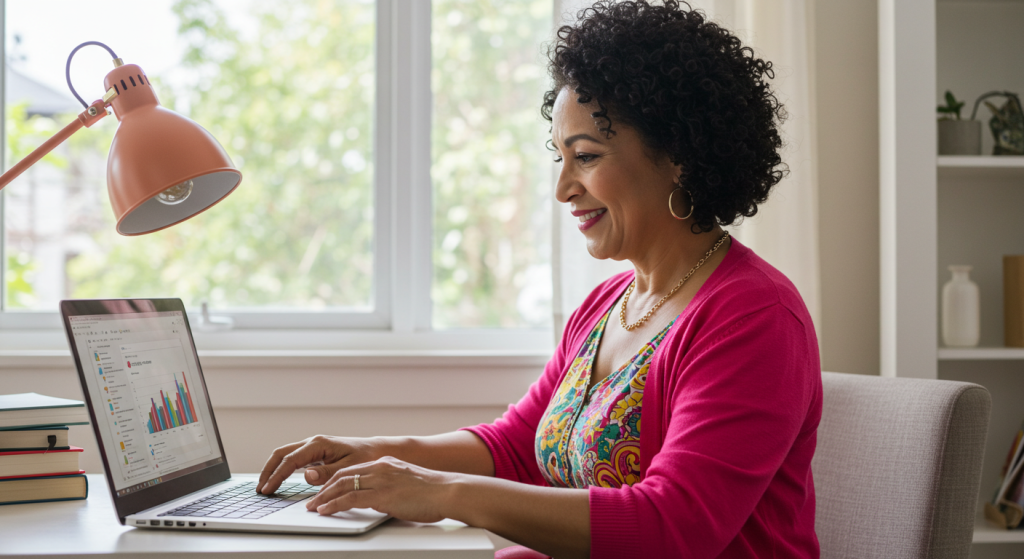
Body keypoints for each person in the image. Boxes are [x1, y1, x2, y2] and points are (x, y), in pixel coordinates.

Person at [256, 2, 821, 557]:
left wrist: (443, 493)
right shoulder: (607, 306)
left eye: (588, 156)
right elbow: (515, 447)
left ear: (679, 156)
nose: (563, 189)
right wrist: (374, 454)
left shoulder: (754, 317)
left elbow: (671, 527)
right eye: (560, 158)